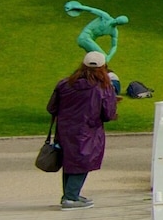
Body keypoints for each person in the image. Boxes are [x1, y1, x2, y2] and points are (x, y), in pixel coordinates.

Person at [48, 51, 119, 211]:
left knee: (69, 160)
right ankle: (71, 198)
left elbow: (51, 107)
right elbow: (108, 114)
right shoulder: (103, 87)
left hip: (65, 129)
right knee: (82, 161)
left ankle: (70, 194)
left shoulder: (64, 84)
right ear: (103, 68)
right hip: (88, 130)